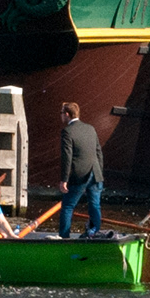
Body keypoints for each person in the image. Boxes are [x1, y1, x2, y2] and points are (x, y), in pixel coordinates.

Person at [58, 102, 104, 238]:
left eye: (61, 113)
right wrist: (100, 172)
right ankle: (95, 234)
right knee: (95, 205)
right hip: (95, 172)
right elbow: (98, 152)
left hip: (80, 175)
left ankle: (64, 237)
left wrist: (64, 179)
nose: (61, 116)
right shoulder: (90, 128)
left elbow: (67, 157)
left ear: (67, 114)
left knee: (67, 206)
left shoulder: (67, 131)